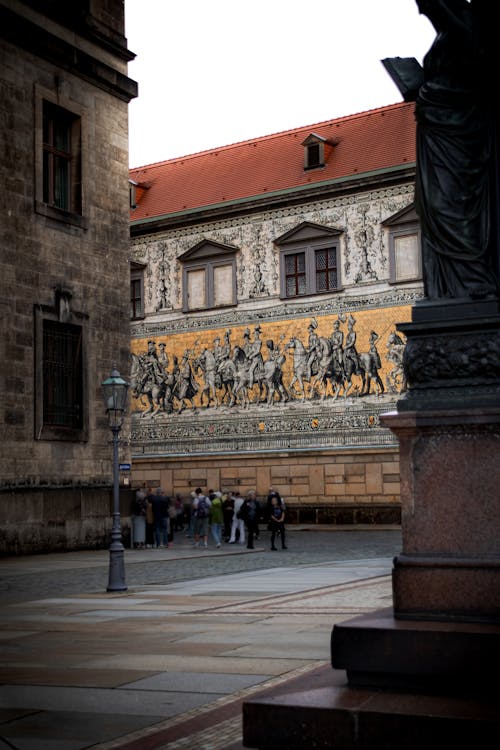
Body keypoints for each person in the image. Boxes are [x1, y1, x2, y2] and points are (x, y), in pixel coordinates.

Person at [412, 0, 499, 300]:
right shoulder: (445, 37)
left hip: (459, 135)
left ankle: (474, 281)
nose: (423, 11)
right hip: (435, 134)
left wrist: (430, 93)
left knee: (451, 207)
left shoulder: (469, 29)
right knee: (432, 209)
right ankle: (446, 289)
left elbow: (473, 77)